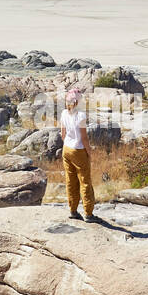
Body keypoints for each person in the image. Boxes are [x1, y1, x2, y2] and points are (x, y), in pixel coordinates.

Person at [59, 88, 99, 222]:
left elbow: (62, 134)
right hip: (78, 150)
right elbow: (84, 138)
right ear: (77, 102)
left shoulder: (64, 113)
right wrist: (89, 152)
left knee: (70, 181)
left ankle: (73, 210)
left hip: (67, 149)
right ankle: (88, 213)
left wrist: (68, 143)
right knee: (85, 181)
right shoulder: (80, 115)